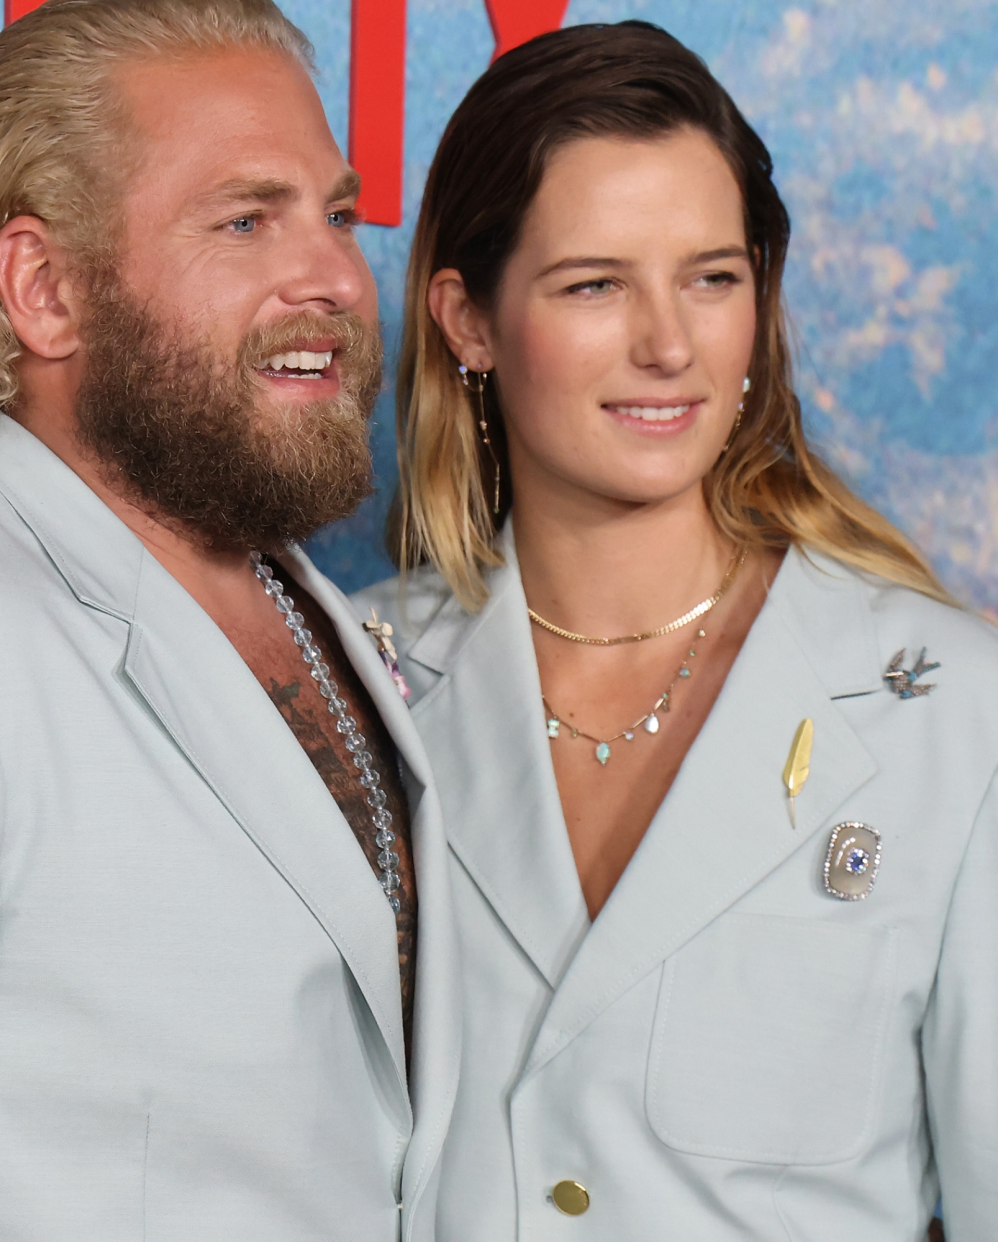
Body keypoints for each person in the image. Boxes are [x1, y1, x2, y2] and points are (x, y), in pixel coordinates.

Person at [0, 2, 461, 1237]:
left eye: (338, 216)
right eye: (247, 220)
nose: (338, 280)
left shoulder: (319, 610)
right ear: (43, 287)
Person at [355, 21, 993, 1242]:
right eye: (596, 284)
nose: (668, 342)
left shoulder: (956, 717)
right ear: (468, 321)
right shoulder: (350, 686)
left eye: (712, 275)